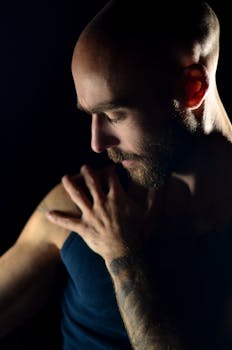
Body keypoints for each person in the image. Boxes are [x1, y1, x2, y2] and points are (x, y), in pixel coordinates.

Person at [1, 0, 232, 349]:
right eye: (90, 114)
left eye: (115, 114)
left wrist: (123, 256)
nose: (96, 143)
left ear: (192, 88)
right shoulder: (83, 204)